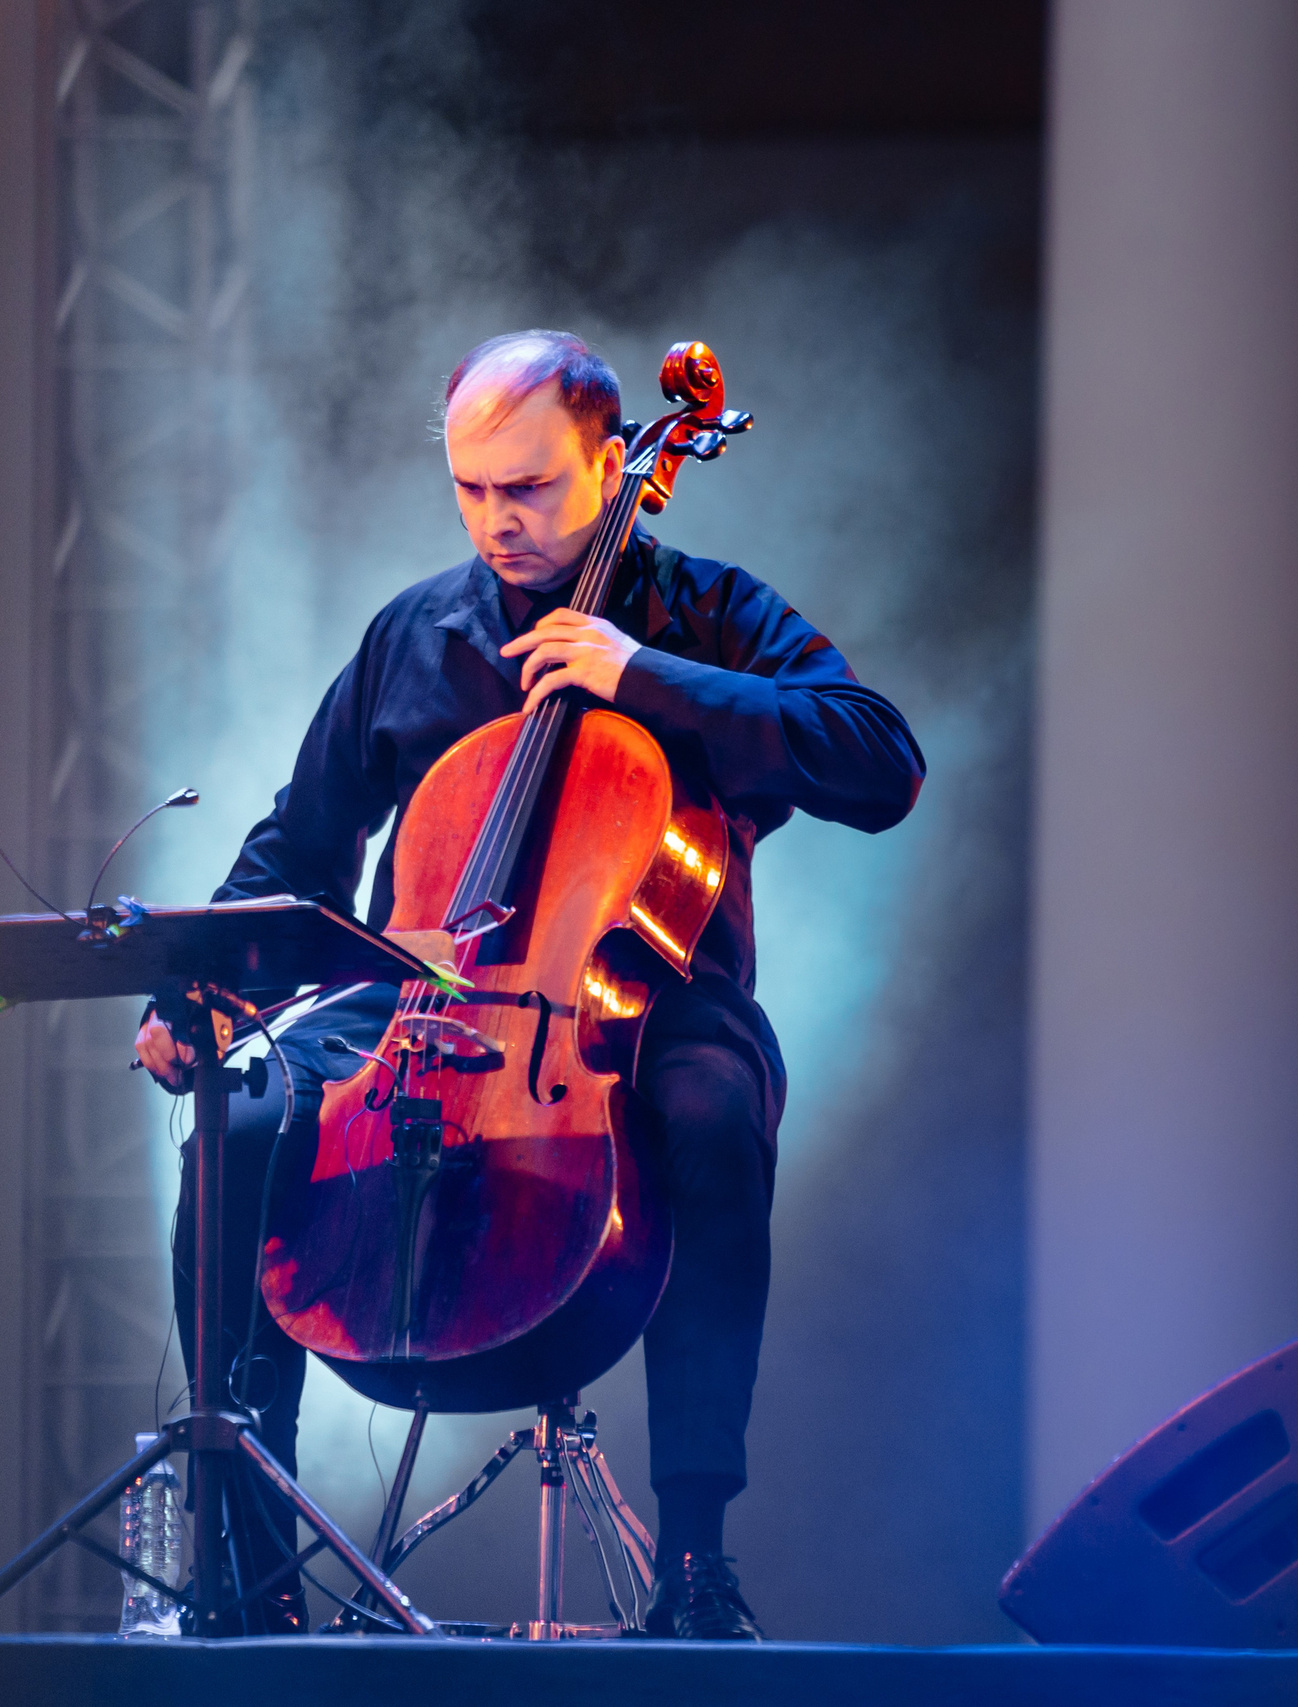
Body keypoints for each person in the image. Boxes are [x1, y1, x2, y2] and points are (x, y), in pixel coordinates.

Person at [135, 329, 921, 1639]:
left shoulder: (711, 614)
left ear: (613, 464)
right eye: (471, 491)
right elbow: (305, 844)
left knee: (714, 1111)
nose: (498, 522)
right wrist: (200, 987)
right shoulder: (416, 637)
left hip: (650, 997)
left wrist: (645, 679)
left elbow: (879, 759)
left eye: (531, 489)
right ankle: (247, 1559)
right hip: (422, 1005)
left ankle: (696, 1562)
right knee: (249, 1119)